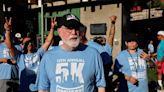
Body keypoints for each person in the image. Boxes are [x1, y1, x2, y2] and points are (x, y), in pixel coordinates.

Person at [38, 13, 106, 92]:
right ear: (59, 31)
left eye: (76, 28)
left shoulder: (93, 54)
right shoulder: (48, 57)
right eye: (69, 28)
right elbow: (43, 89)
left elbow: (101, 86)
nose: (74, 32)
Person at [17, 17, 56, 92]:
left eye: (31, 42)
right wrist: (8, 31)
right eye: (27, 43)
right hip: (23, 89)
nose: (30, 44)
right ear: (23, 46)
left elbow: (48, 42)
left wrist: (52, 28)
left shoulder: (38, 53)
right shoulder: (20, 57)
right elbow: (10, 46)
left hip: (36, 89)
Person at [80, 15, 117, 92]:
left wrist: (113, 23)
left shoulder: (98, 48)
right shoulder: (77, 47)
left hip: (101, 84)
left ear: (82, 33)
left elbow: (111, 38)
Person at [0, 17, 19, 92]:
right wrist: (4, 60)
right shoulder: (0, 46)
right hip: (3, 77)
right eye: (8, 36)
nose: (9, 38)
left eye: (10, 36)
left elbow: (11, 48)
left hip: (15, 77)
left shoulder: (17, 47)